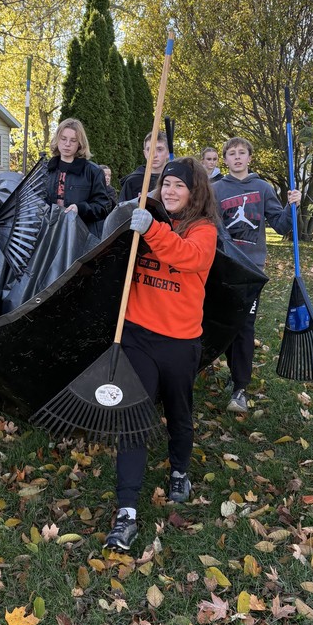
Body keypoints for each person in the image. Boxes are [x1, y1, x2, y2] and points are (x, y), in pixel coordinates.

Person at [104, 157, 219, 552]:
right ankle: (127, 512)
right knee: (133, 420)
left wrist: (152, 229)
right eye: (165, 184)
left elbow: (188, 258)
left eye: (178, 186)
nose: (169, 191)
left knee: (178, 412)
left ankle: (179, 471)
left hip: (180, 341)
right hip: (138, 335)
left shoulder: (204, 231)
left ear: (194, 192)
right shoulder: (146, 216)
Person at [213, 136, 301, 414]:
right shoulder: (215, 189)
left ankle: (240, 387)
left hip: (251, 269)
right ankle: (232, 371)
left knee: (244, 326)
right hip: (223, 267)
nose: (237, 157)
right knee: (225, 323)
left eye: (242, 153)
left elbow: (280, 224)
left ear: (250, 157)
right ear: (225, 159)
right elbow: (209, 226)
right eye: (231, 154)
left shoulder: (262, 188)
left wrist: (292, 206)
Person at [45, 118, 109, 233]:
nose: (67, 144)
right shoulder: (45, 170)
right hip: (48, 235)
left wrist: (80, 209)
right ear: (57, 139)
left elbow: (103, 207)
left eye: (73, 140)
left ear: (80, 143)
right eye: (63, 139)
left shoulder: (93, 171)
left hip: (80, 236)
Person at [118, 131, 170, 203]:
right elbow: (122, 211)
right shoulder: (133, 182)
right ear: (145, 153)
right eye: (150, 150)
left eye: (159, 149)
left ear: (168, 153)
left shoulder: (173, 179)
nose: (154, 155)